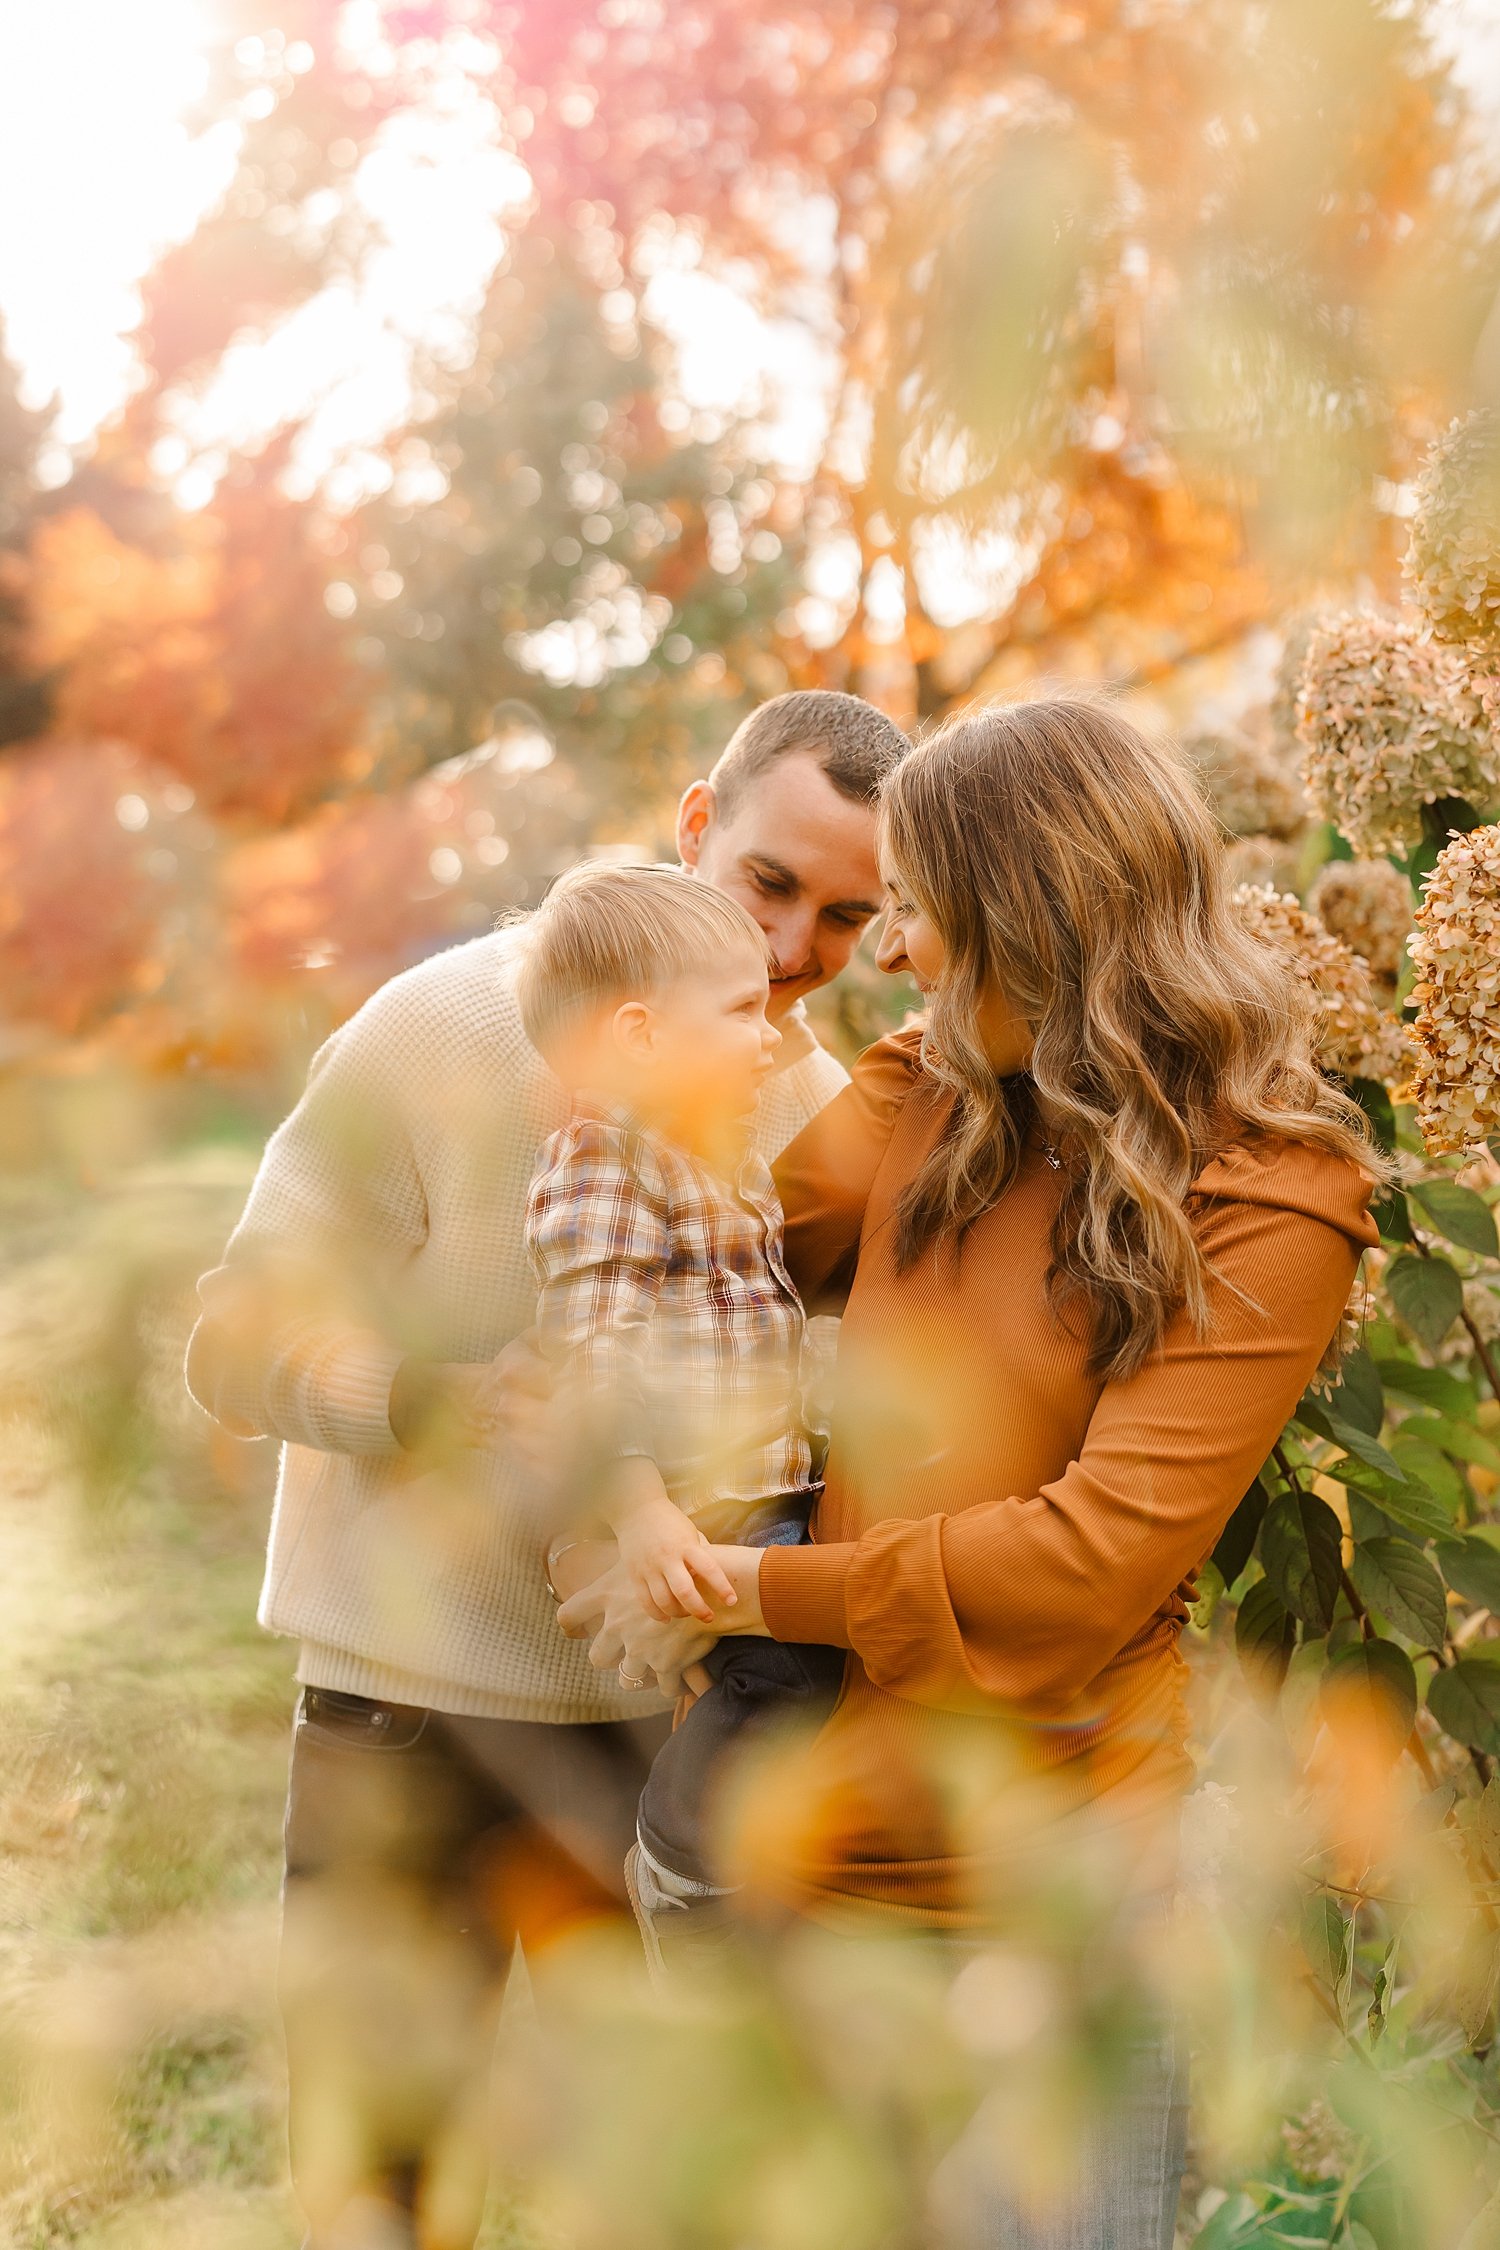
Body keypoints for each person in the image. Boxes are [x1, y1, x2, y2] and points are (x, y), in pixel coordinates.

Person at [559, 696, 1380, 2248]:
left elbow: (1081, 1570)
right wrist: (624, 1493)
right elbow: (689, 1260)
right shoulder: (923, 1086)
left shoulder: (1273, 1190)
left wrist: (743, 1585)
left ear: (1036, 916)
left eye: (921, 909)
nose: (896, 951)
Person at [183, 688, 906, 2250]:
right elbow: (228, 1343)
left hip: (654, 1739)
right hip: (401, 1725)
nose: (793, 952)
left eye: (850, 917)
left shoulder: (808, 1101)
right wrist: (444, 1404)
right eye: (772, 884)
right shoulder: (435, 1029)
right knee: (383, 2202)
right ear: (697, 823)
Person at [516, 863, 846, 1973]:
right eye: (744, 1010)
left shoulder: (714, 1155)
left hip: (758, 1492)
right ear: (644, 1036)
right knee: (785, 1673)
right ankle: (683, 1868)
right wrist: (645, 1517)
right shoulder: (602, 1158)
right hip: (697, 1506)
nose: (772, 1035)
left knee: (794, 1671)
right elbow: (597, 1355)